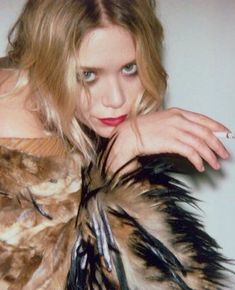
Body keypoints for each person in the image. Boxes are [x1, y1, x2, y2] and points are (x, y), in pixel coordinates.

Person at [0, 0, 232, 289]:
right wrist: (122, 156)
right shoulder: (14, 119)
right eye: (88, 75)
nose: (116, 99)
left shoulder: (73, 114)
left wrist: (123, 155)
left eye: (130, 68)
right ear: (49, 62)